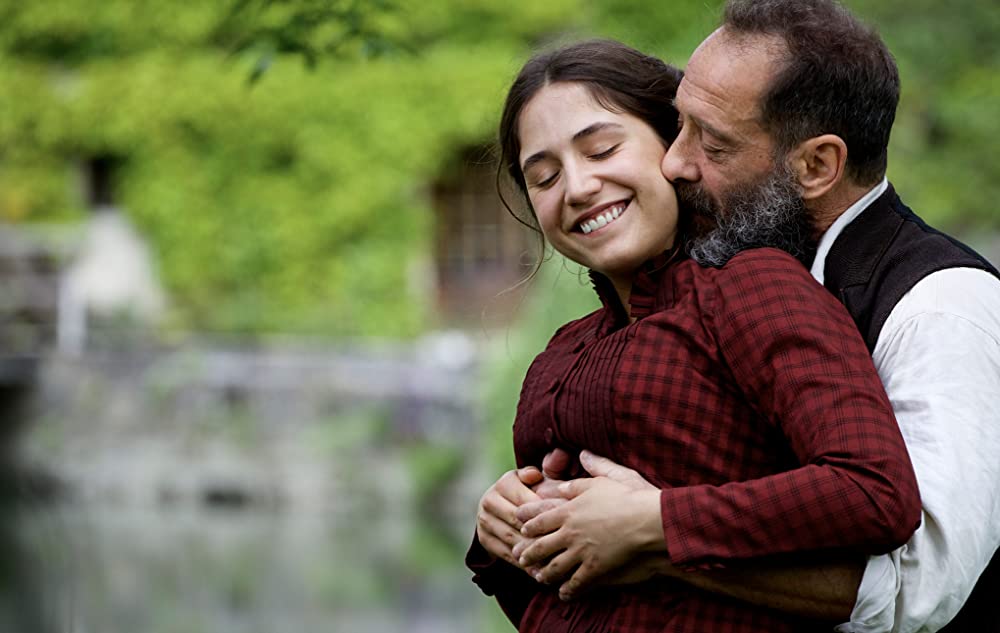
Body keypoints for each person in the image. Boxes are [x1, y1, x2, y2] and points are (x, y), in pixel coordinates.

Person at [500, 1, 1000, 631]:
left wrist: (653, 538)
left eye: (710, 142)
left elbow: (915, 592)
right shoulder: (697, 291)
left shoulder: (942, 305)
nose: (675, 162)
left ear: (816, 165)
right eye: (678, 126)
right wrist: (524, 517)